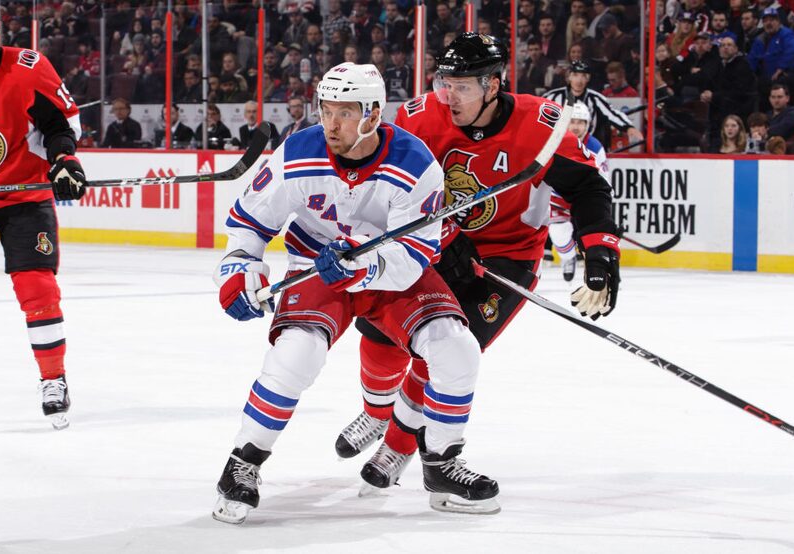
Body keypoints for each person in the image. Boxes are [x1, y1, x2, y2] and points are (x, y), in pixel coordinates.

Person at [211, 62, 498, 523]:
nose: (331, 123)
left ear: (373, 114)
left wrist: (360, 266)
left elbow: (413, 255)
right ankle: (243, 462)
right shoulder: (297, 152)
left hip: (389, 276)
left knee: (457, 348)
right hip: (315, 271)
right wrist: (238, 269)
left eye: (345, 112)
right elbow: (248, 222)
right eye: (326, 110)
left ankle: (442, 464)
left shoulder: (414, 161)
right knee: (295, 355)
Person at [334, 34, 619, 497]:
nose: (449, 95)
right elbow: (389, 185)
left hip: (508, 256)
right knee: (380, 334)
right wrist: (445, 239)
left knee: (447, 353)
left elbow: (588, 189)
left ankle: (400, 447)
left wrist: (601, 252)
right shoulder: (420, 117)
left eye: (462, 86)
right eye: (445, 82)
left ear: (493, 84)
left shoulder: (539, 125)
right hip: (436, 245)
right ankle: (375, 408)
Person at [0, 2, 86, 430]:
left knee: (36, 287)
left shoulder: (28, 68)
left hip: (23, 198)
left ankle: (53, 379)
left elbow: (59, 126)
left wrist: (63, 159)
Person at [548, 101, 610, 282]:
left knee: (594, 231)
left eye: (581, 122)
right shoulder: (555, 140)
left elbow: (603, 177)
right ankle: (568, 258)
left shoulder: (595, 146)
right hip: (559, 195)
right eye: (572, 121)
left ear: (587, 124)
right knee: (558, 232)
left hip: (585, 196)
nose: (576, 126)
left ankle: (601, 270)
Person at [545, 60, 644, 147]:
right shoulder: (553, 96)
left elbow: (612, 114)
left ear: (588, 79)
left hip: (588, 148)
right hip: (558, 147)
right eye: (575, 75)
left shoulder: (596, 98)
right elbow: (535, 111)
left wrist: (628, 127)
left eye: (583, 76)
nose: (579, 80)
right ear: (569, 77)